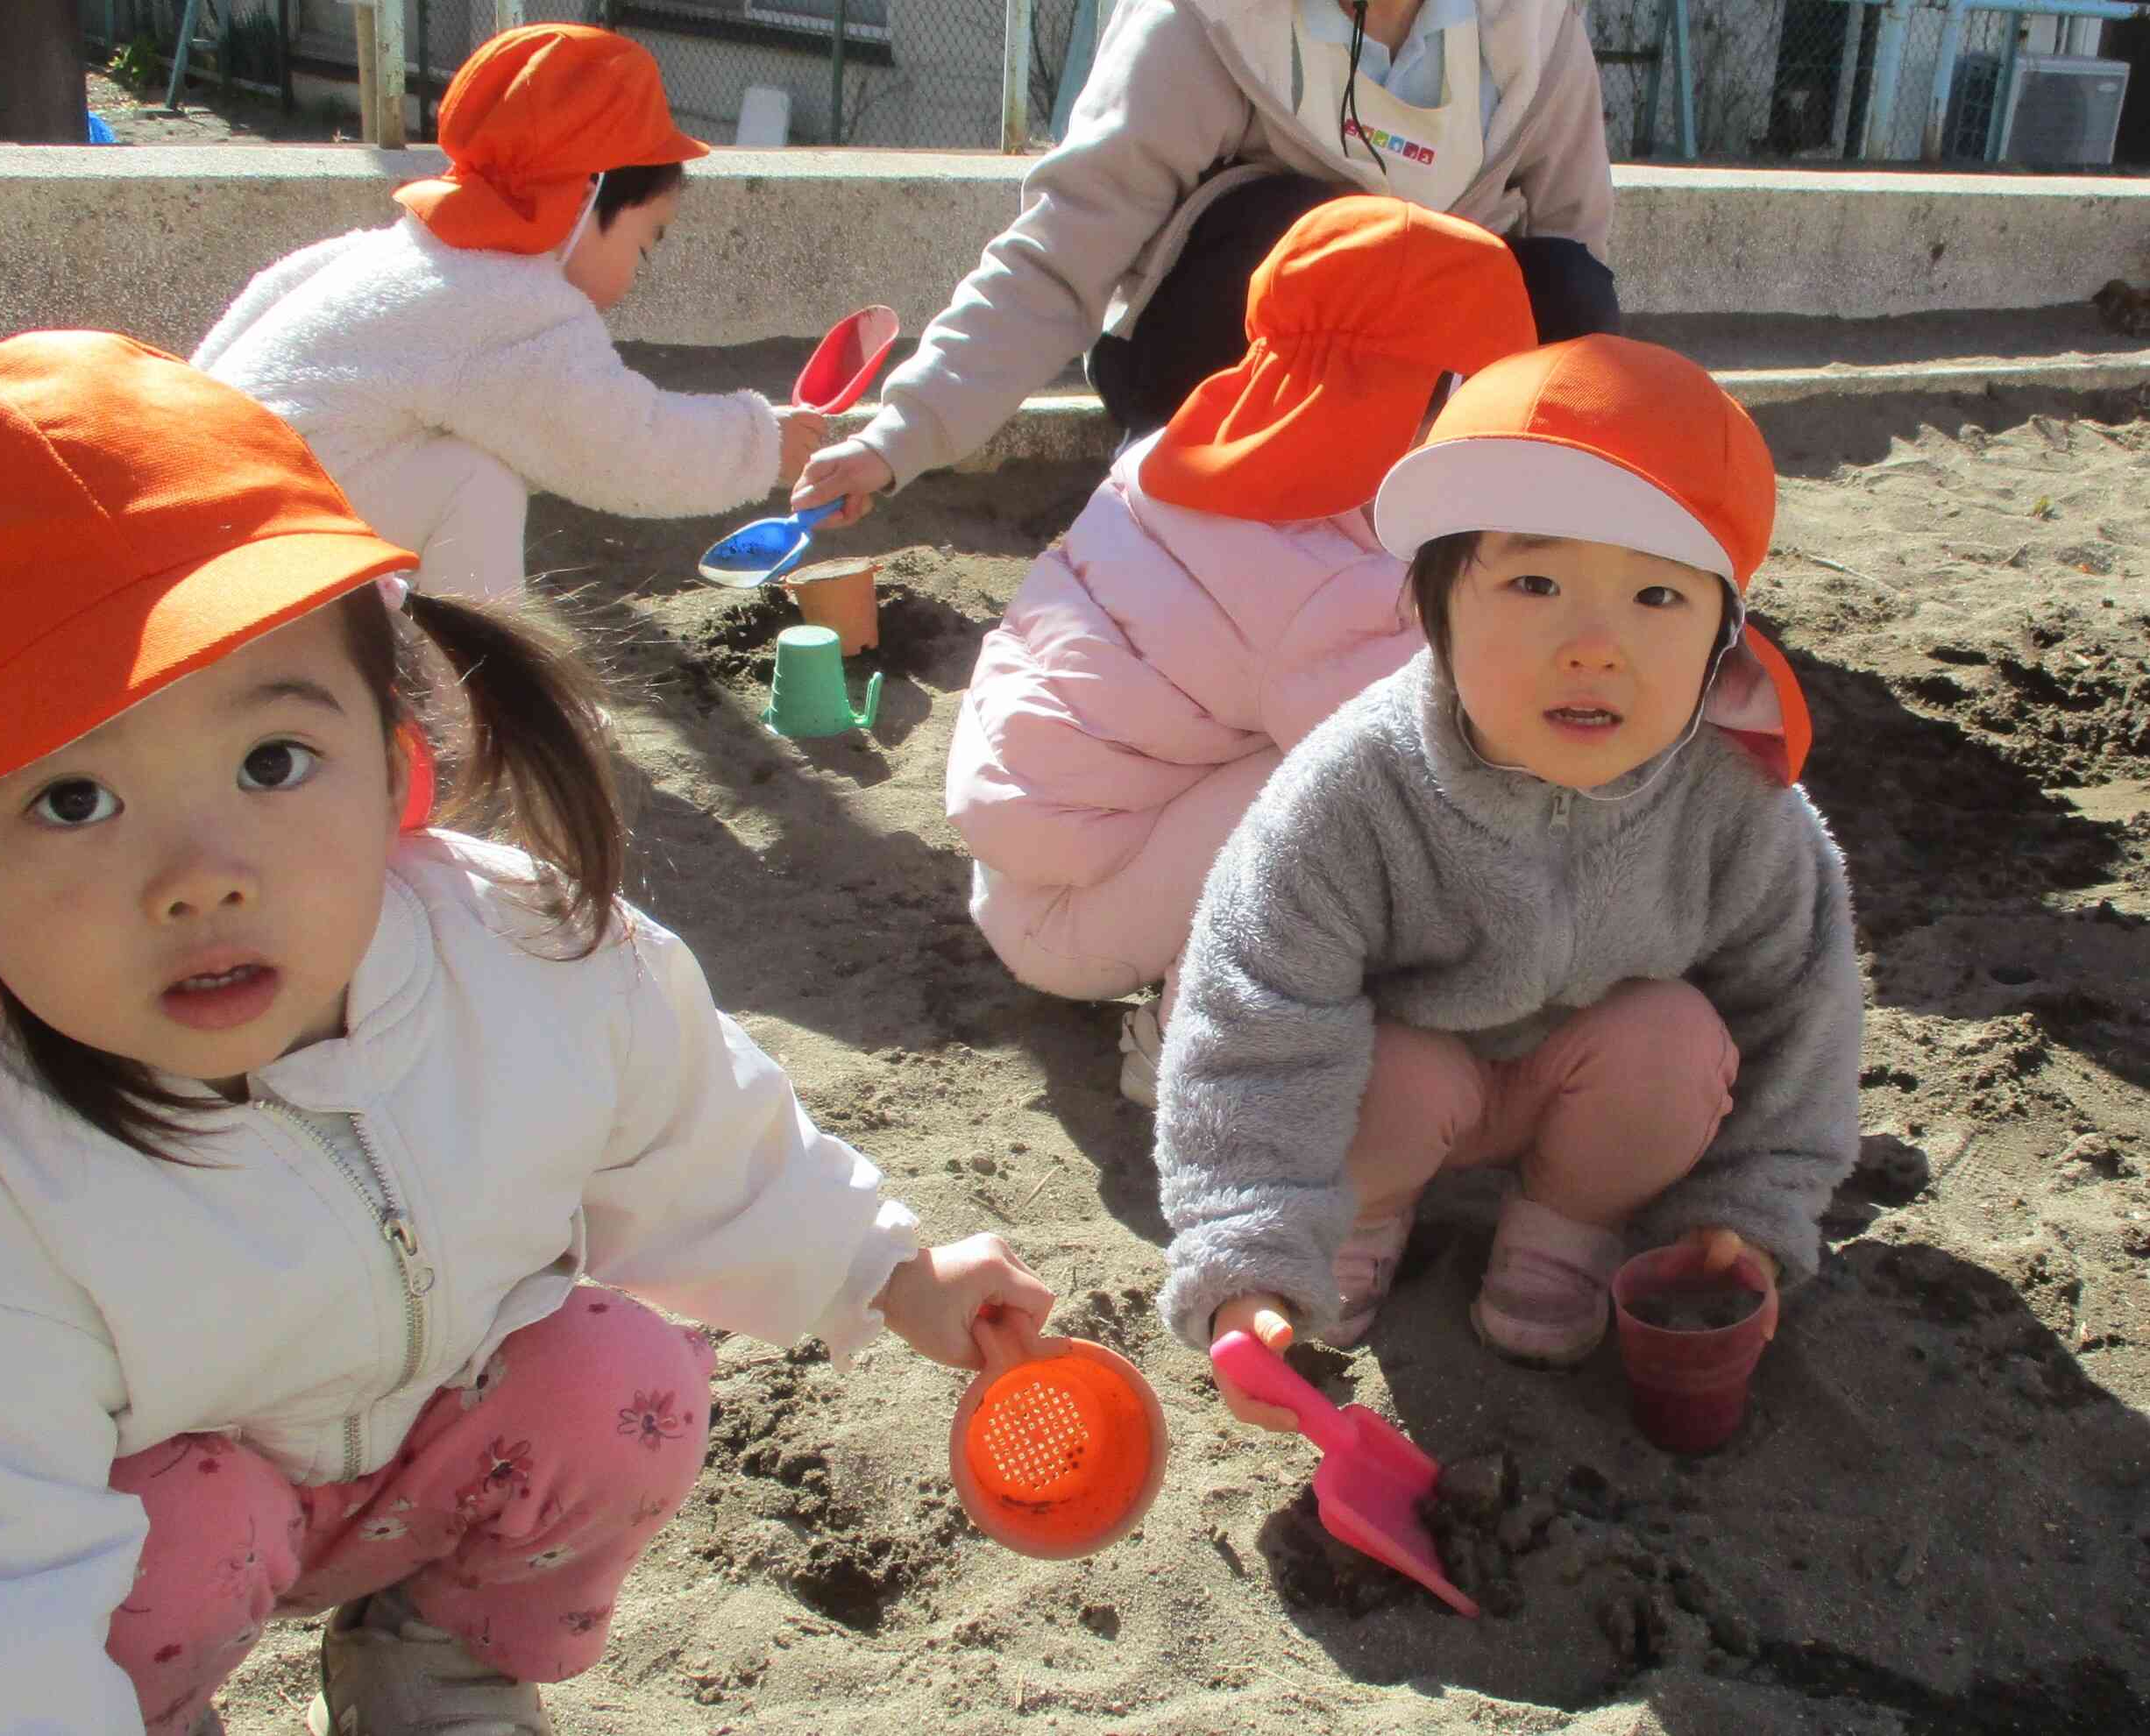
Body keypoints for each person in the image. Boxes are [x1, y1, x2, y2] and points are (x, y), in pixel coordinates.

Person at [0, 331, 1053, 1736]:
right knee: (164, 1552)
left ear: (396, 756)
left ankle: (439, 1664)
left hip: (436, 1459)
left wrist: (886, 1267)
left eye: (272, 760)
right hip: (163, 1544)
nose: (201, 872)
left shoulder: (521, 954)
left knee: (622, 1376)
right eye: (72, 801)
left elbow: (703, 1136)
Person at [1150, 335, 1861, 1418]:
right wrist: (1250, 1248)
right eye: (1534, 581)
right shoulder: (1355, 787)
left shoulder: (1737, 802)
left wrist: (1751, 1212)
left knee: (1674, 1043)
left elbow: (1800, 1014)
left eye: (1659, 600)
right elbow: (1253, 1015)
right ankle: (1361, 1220)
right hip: (1395, 1095)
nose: (1594, 646)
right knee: (1390, 1070)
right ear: (1437, 612)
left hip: (1596, 1093)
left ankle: (1567, 1224)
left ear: (1726, 632)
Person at [946, 196, 1537, 1108]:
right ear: (1423, 399)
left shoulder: (1176, 451)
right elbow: (1443, 752)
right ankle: (1190, 1045)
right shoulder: (1337, 588)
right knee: (1350, 787)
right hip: (1075, 920)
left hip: (1022, 858)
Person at [794, 0, 1617, 526]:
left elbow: (1571, 246)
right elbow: (1058, 253)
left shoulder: (1533, 29)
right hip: (1217, 366)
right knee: (1310, 231)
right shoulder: (1197, 21)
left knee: (1563, 285)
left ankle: (1472, 538)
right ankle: (1205, 530)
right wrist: (899, 437)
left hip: (1427, 397)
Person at [194, 25, 825, 602]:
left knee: (462, 460)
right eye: (644, 242)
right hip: (268, 566)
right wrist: (763, 443)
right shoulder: (512, 306)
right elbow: (619, 445)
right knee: (478, 480)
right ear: (587, 196)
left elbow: (238, 333)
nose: (635, 273)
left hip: (211, 523)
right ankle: (484, 701)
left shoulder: (396, 255)